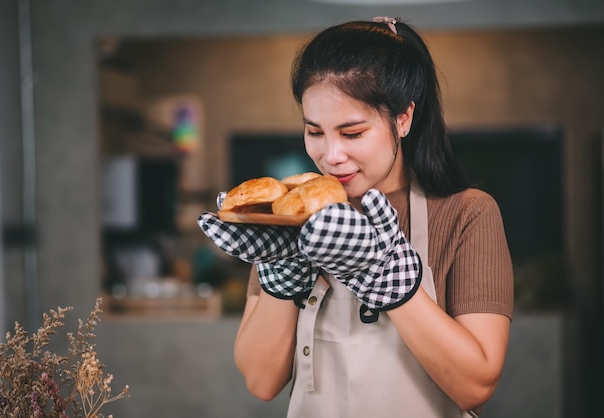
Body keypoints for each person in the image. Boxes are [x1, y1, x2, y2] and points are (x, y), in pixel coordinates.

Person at [198, 16, 513, 418]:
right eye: (315, 131)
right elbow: (261, 381)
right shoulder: (290, 218)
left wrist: (387, 278)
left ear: (403, 118)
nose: (331, 156)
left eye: (352, 133)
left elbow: (476, 386)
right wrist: (282, 271)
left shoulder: (467, 213)